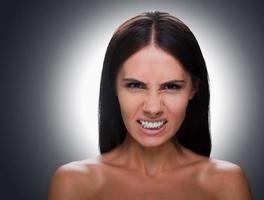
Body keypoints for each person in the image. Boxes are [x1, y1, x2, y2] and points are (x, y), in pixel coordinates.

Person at [48, 11, 252, 200]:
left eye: (171, 86)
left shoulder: (225, 183)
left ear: (194, 89)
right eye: (135, 85)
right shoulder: (75, 183)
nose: (153, 108)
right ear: (113, 88)